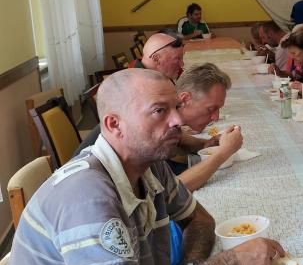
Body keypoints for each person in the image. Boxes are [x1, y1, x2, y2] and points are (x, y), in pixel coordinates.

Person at [3, 69, 286, 265]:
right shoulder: (87, 195)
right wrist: (229, 262)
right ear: (115, 125)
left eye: (175, 107)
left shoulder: (150, 164)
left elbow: (199, 219)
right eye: (159, 111)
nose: (177, 120)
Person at [74, 64, 243, 191]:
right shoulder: (137, 135)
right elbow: (173, 190)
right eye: (211, 109)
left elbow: (180, 140)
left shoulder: (164, 127)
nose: (216, 117)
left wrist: (204, 144)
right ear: (184, 99)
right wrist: (223, 153)